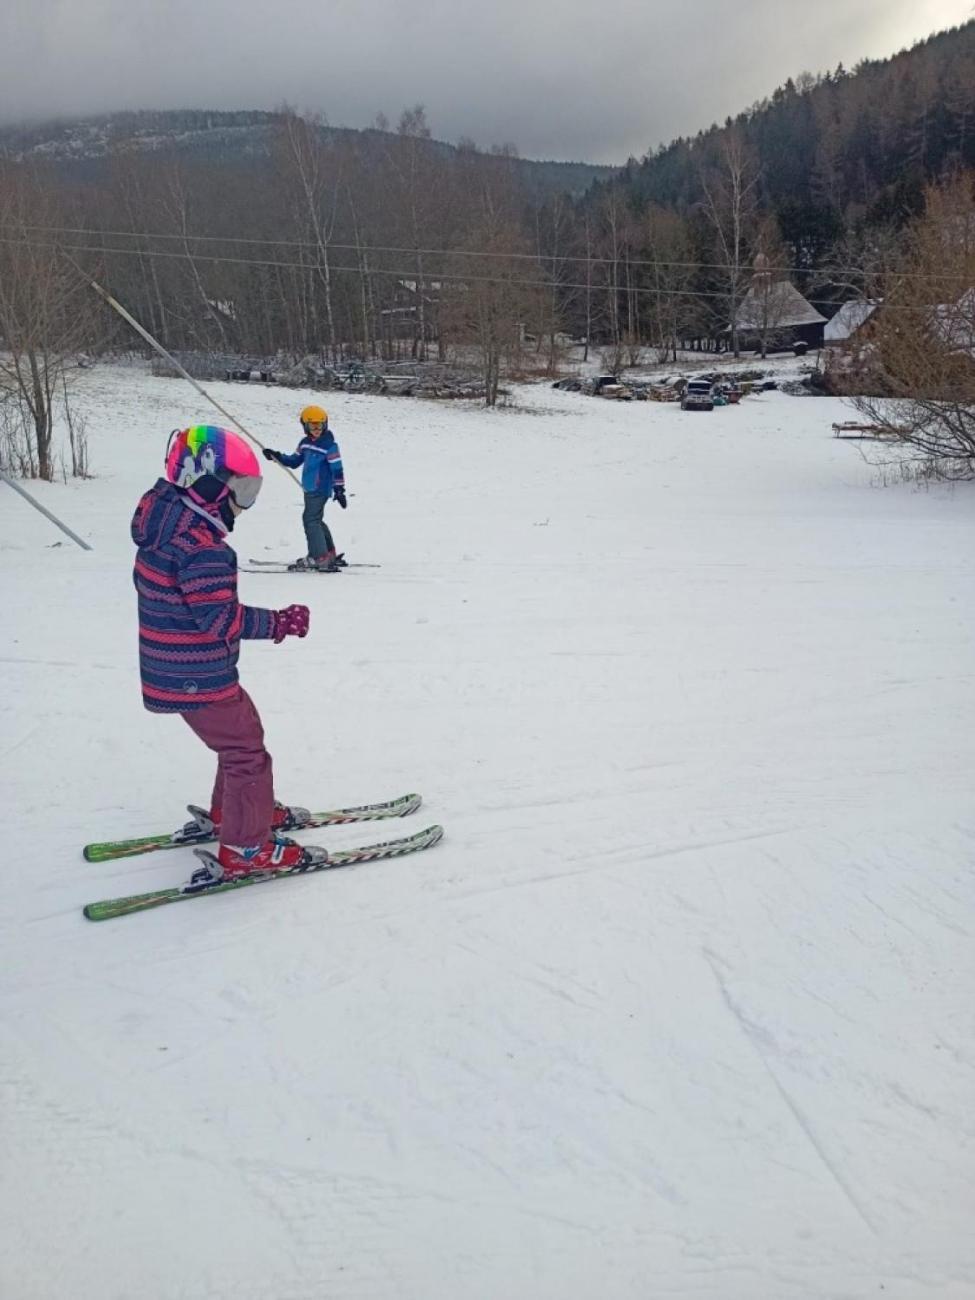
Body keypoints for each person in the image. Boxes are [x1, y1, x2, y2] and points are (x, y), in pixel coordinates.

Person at [132, 423, 325, 879]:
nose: (244, 503)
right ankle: (245, 848)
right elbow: (222, 620)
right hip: (198, 673)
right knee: (247, 753)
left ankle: (234, 816)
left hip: (171, 669)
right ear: (207, 485)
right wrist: (279, 623)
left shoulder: (163, 526)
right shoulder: (202, 549)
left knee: (237, 742)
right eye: (241, 488)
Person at [262, 405, 347, 571]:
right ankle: (328, 553)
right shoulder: (305, 443)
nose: (316, 429)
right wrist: (277, 456)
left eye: (319, 425)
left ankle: (319, 557)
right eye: (312, 426)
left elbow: (337, 468)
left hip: (320, 489)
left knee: (310, 520)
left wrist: (340, 489)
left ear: (325, 425)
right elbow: (294, 461)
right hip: (309, 488)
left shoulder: (329, 445)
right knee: (316, 519)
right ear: (305, 426)